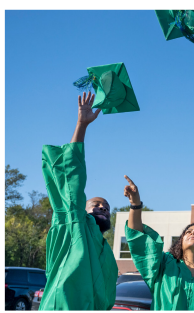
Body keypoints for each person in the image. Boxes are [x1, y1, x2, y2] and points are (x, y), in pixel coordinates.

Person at [40, 92, 118, 310]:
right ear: (82, 210)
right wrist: (82, 125)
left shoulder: (105, 250)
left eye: (107, 208)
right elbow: (72, 179)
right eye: (96, 205)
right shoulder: (75, 225)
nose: (103, 207)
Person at [124, 176, 194, 310]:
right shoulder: (162, 267)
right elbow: (139, 239)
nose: (193, 233)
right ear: (180, 241)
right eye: (188, 232)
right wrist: (135, 205)